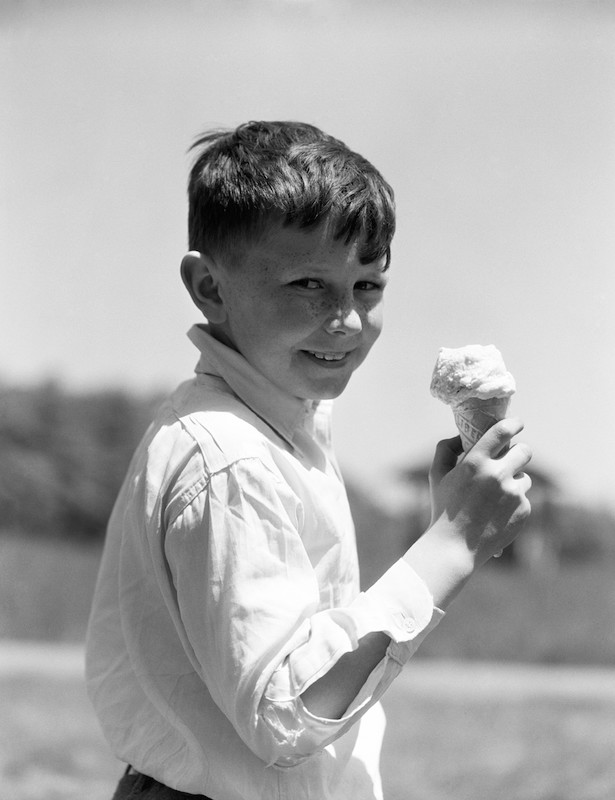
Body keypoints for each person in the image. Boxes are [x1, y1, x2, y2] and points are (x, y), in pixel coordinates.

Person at [85, 120, 532, 800]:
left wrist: (448, 521)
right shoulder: (230, 458)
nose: (346, 320)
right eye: (306, 284)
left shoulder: (282, 428)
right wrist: (452, 544)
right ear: (209, 286)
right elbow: (282, 714)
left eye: (367, 286)